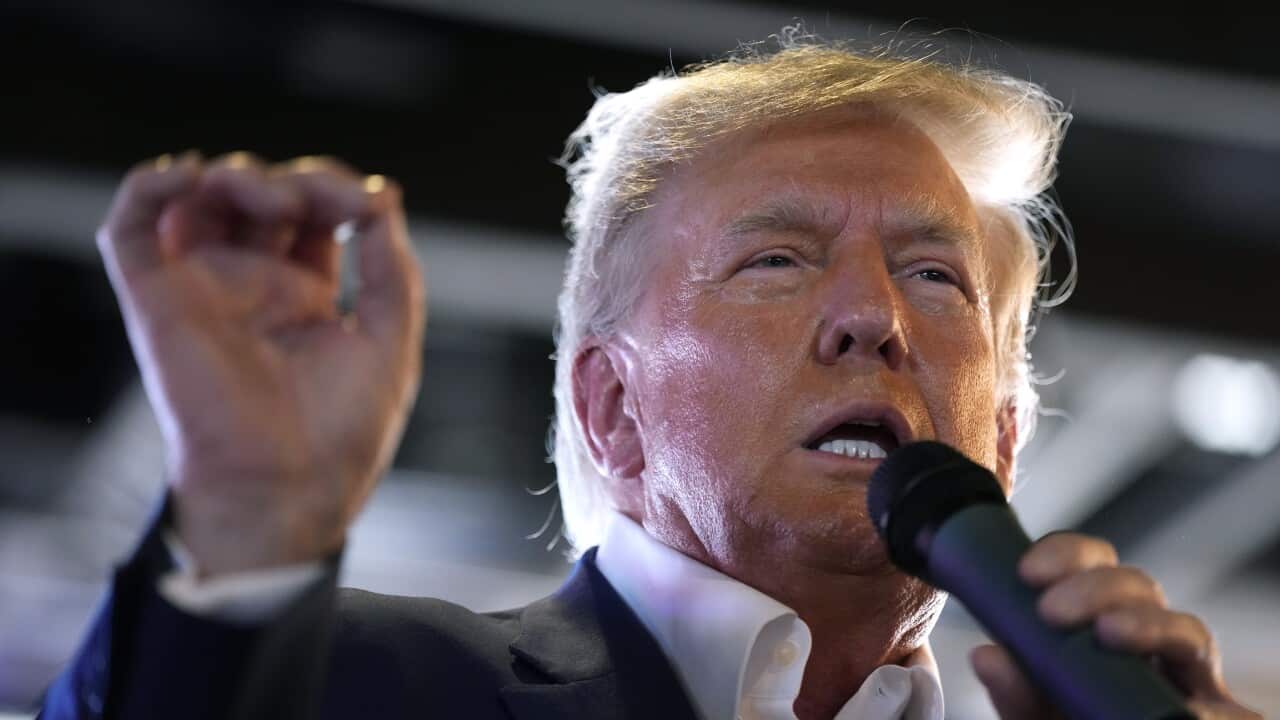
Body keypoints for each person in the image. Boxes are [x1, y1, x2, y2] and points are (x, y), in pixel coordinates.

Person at [41, 33, 1260, 720]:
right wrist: (250, 517)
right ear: (612, 413)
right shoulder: (354, 691)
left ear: (999, 439)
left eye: (934, 278)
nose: (870, 318)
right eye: (776, 260)